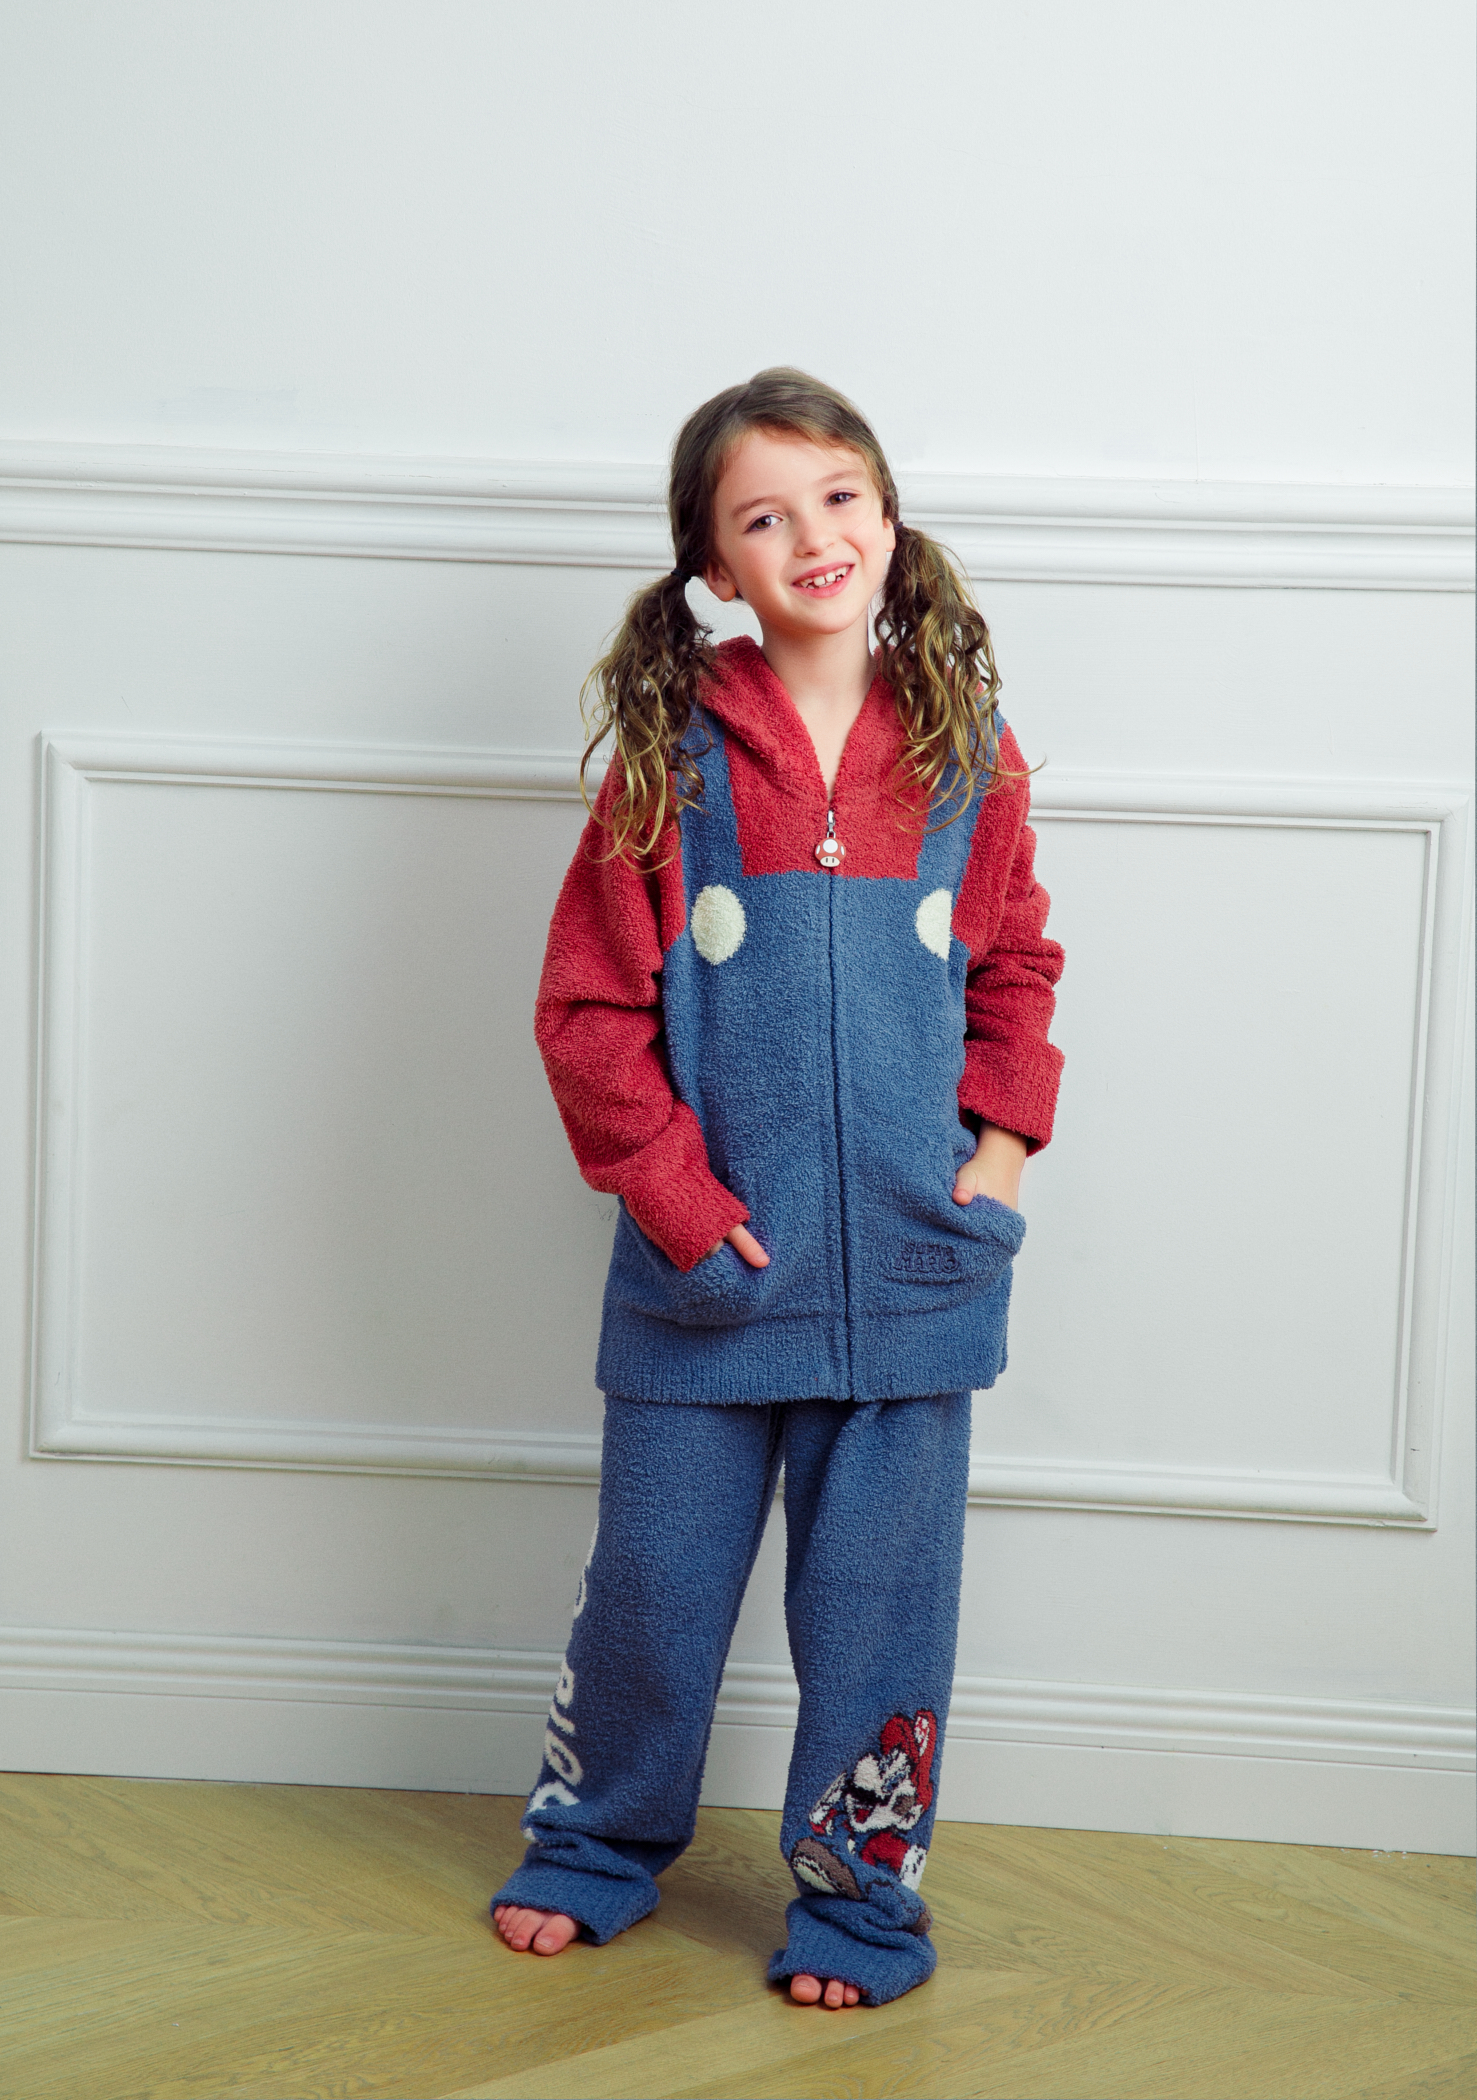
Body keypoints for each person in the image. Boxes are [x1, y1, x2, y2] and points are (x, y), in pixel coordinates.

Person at [491, 367, 1064, 2009]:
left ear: (889, 514)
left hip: (916, 1279)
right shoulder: (674, 764)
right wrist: (678, 1202)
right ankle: (596, 1842)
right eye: (764, 515)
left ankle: (862, 1907)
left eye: (839, 495)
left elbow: (1017, 968)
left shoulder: (967, 751)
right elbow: (588, 1012)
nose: (813, 534)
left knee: (883, 1620)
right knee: (653, 1594)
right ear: (714, 566)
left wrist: (996, 1160)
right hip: (708, 1281)